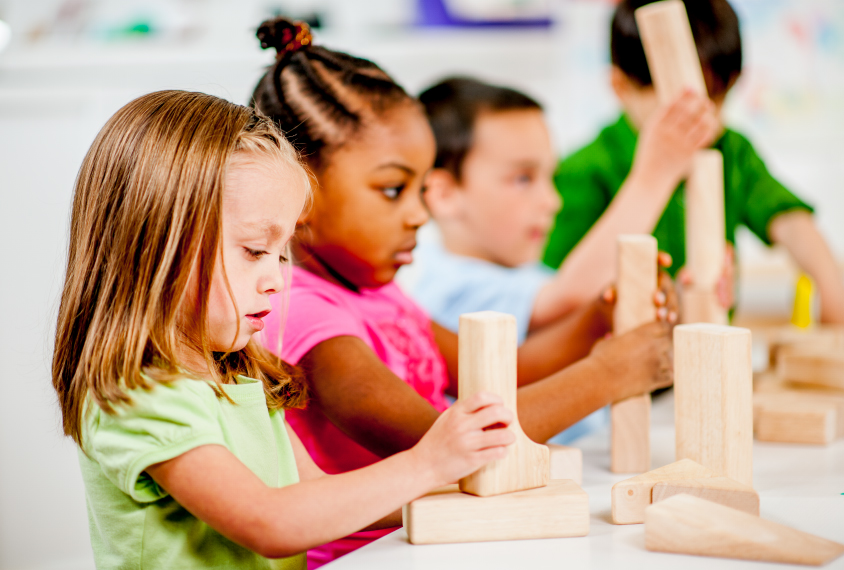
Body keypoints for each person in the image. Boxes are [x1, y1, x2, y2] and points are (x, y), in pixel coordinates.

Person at [252, 18, 673, 567]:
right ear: (297, 191)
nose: (419, 214)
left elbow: (506, 372)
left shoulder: (381, 294)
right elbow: (446, 446)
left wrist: (598, 321)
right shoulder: (301, 315)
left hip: (435, 540)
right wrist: (610, 374)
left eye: (421, 188)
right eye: (392, 189)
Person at [51, 90, 517, 569]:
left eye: (282, 253)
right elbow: (271, 523)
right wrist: (427, 462)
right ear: (154, 241)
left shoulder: (238, 373)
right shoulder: (138, 394)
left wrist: (463, 486)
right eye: (255, 250)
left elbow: (313, 494)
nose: (277, 279)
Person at [542, 0, 844, 323]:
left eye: (716, 99)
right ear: (621, 87)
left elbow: (789, 219)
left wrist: (830, 289)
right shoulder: (586, 168)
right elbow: (557, 295)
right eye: (680, 109)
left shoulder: (731, 149)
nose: (703, 120)